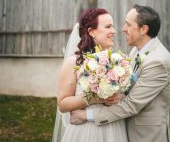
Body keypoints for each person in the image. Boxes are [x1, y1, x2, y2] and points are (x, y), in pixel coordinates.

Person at [70, 4, 170, 142]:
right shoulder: (135, 51)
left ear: (144, 29)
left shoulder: (159, 62)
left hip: (145, 136)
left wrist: (86, 115)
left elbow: (132, 105)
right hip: (122, 128)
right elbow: (130, 88)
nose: (123, 29)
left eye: (128, 24)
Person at [52, 8, 128, 142]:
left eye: (113, 26)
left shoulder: (117, 61)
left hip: (113, 128)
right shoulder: (73, 63)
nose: (114, 31)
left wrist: (119, 96)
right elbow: (62, 104)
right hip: (86, 131)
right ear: (92, 31)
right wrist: (93, 99)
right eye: (108, 27)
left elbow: (125, 93)